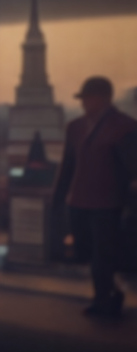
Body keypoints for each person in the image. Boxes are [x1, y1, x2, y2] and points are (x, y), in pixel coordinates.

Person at [53, 76, 137, 317]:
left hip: (108, 204)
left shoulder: (125, 126)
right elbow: (67, 166)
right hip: (78, 202)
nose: (83, 104)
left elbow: (133, 168)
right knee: (85, 250)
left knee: (103, 254)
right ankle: (111, 290)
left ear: (103, 99)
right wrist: (58, 198)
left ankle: (104, 300)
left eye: (87, 98)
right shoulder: (75, 127)